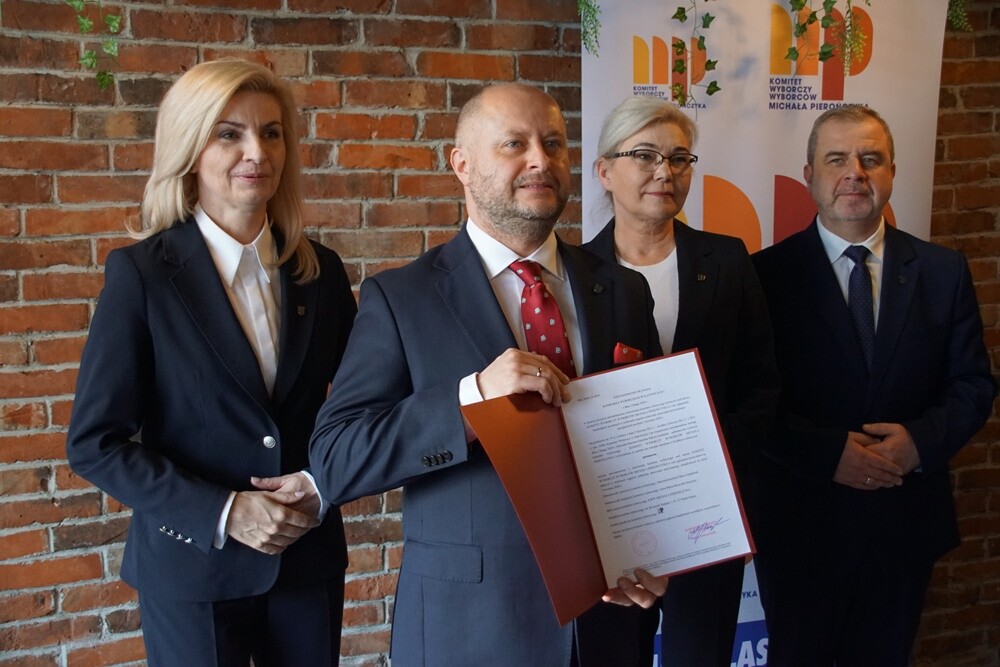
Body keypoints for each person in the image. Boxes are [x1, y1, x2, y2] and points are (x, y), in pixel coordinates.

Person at [309, 83, 663, 666]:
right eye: (514, 144)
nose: (540, 160)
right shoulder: (401, 299)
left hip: (609, 626)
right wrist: (470, 401)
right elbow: (335, 459)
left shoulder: (623, 289)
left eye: (554, 143)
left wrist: (656, 553)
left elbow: (648, 446)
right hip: (470, 630)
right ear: (462, 165)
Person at [66, 59, 357, 666]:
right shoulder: (142, 276)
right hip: (191, 571)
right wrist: (223, 511)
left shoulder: (320, 272)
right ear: (190, 150)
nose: (257, 152)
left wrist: (321, 485)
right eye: (230, 134)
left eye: (271, 133)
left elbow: (362, 407)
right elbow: (95, 443)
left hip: (305, 563)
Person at [751, 105, 997, 666]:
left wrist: (919, 444)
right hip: (801, 526)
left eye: (870, 159)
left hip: (903, 523)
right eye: (836, 159)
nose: (854, 173)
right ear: (809, 175)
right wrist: (825, 454)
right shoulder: (763, 277)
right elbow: (750, 400)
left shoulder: (943, 271)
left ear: (891, 172)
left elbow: (973, 384)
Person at [584, 95, 780, 666]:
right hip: (616, 519)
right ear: (605, 171)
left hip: (707, 514)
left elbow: (761, 385)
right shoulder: (574, 272)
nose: (664, 172)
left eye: (679, 158)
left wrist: (713, 465)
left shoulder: (728, 260)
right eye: (644, 155)